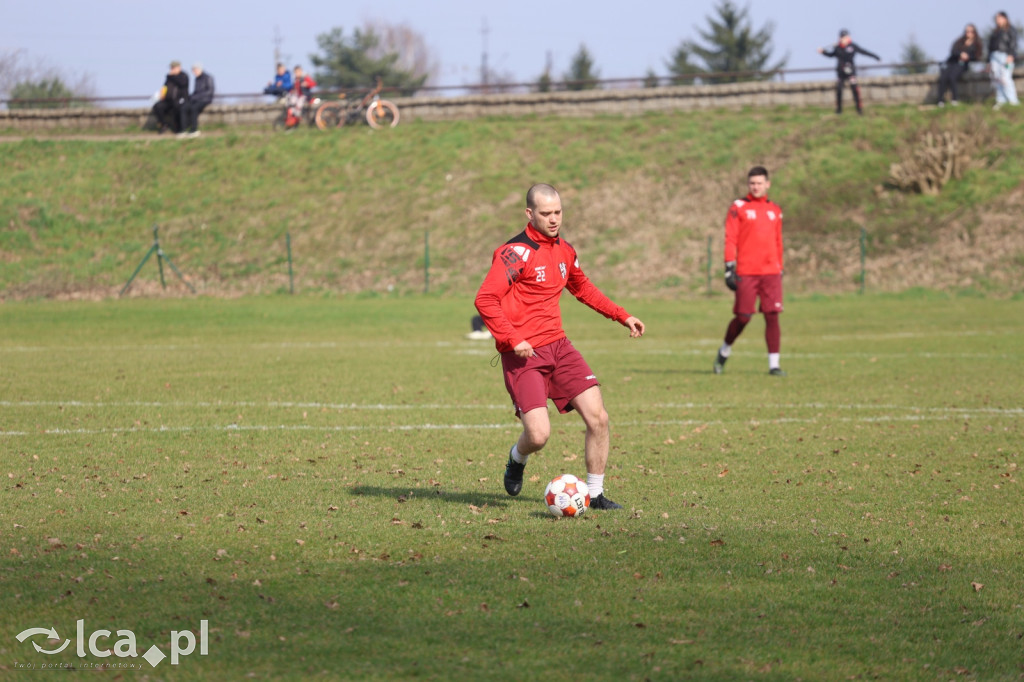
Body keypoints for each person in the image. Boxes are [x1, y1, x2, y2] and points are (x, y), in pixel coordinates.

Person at [474, 183, 645, 511]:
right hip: (523, 355)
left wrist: (622, 316)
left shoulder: (565, 251)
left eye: (558, 212)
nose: (554, 219)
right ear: (530, 214)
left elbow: (584, 289)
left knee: (599, 417)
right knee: (538, 436)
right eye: (545, 213)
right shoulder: (514, 253)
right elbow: (485, 299)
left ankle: (594, 495)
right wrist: (512, 338)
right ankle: (517, 457)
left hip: (559, 347)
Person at [713, 166, 786, 377]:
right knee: (744, 317)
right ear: (748, 185)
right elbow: (731, 238)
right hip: (747, 271)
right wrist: (729, 266)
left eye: (759, 183)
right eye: (752, 183)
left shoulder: (775, 210)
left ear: (767, 184)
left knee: (772, 315)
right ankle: (724, 350)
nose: (756, 187)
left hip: (771, 271)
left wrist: (780, 266)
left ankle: (774, 365)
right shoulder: (739, 207)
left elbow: (778, 241)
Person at [818, 29, 881, 114]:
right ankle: (839, 110)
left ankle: (859, 110)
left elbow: (864, 52)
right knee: (839, 90)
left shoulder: (853, 46)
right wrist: (823, 52)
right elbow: (831, 55)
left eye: (846, 37)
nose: (844, 39)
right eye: (842, 37)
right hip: (841, 72)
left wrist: (876, 57)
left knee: (855, 89)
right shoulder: (837, 47)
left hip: (851, 71)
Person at [936, 24, 983, 106]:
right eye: (967, 31)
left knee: (952, 77)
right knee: (943, 77)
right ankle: (940, 100)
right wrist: (960, 54)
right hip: (952, 62)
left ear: (974, 33)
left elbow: (977, 56)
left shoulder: (976, 44)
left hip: (962, 65)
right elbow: (953, 51)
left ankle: (954, 99)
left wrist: (968, 57)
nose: (968, 33)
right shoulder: (959, 41)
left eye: (971, 32)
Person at [988, 11, 1019, 108]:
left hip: (1005, 56)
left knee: (1005, 78)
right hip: (994, 56)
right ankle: (1001, 100)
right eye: (996, 19)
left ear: (1005, 18)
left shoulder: (1010, 29)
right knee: (997, 79)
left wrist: (1011, 55)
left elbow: (1014, 43)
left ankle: (1013, 101)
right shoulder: (995, 31)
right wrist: (988, 61)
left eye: (999, 18)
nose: (997, 20)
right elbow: (990, 46)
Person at [152, 61, 189, 134]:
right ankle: (164, 125)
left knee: (177, 109)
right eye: (171, 68)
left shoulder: (183, 76)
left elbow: (182, 83)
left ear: (178, 68)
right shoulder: (169, 77)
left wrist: (172, 76)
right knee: (157, 106)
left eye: (173, 68)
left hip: (179, 100)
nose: (171, 70)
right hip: (167, 100)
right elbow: (164, 86)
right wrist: (162, 94)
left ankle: (178, 128)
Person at [179, 63, 215, 137]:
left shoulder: (208, 77)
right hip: (196, 99)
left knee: (194, 108)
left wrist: (196, 97)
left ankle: (194, 130)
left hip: (205, 99)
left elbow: (210, 91)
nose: (194, 72)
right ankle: (183, 130)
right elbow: (195, 92)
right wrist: (189, 97)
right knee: (183, 108)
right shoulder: (197, 79)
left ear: (199, 69)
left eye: (195, 70)